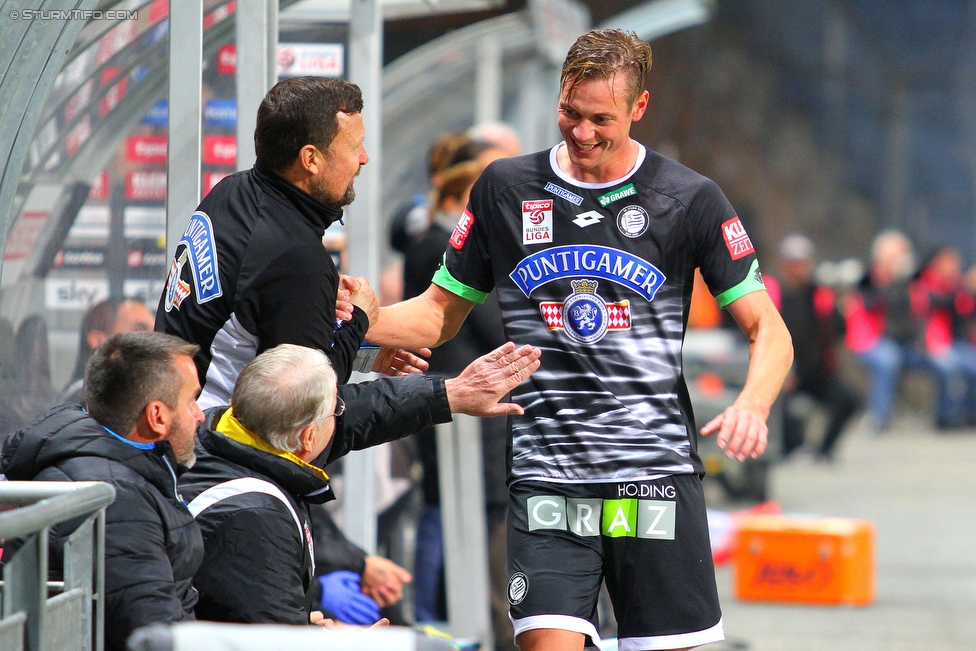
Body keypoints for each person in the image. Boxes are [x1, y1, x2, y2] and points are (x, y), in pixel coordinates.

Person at [367, 28, 793, 651]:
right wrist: (358, 313)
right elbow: (437, 315)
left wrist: (752, 405)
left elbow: (768, 329)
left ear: (638, 109)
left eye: (602, 119)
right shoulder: (505, 188)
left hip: (652, 482)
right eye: (570, 112)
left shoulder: (689, 199)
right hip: (549, 480)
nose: (582, 132)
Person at [179, 341, 540, 626]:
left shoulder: (227, 431)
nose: (343, 415)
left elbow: (364, 408)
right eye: (336, 411)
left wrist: (448, 394)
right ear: (308, 438)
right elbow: (271, 638)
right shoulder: (254, 519)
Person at [157, 76, 414, 409]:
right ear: (311, 159)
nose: (363, 158)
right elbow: (305, 402)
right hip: (212, 445)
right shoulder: (293, 255)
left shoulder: (232, 192)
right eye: (354, 147)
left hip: (175, 416)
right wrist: (360, 318)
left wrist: (352, 345)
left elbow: (258, 323)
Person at [1, 332, 205, 651]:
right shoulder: (118, 498)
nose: (200, 414)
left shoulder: (126, 464)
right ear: (157, 417)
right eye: (192, 400)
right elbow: (154, 632)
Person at [776, 234, 860, 460]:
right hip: (784, 372)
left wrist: (838, 308)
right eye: (793, 263)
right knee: (781, 409)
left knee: (849, 400)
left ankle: (824, 450)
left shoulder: (819, 295)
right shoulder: (775, 296)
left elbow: (838, 332)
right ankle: (787, 450)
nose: (799, 269)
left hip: (816, 372)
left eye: (803, 263)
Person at [60, 298, 155, 405]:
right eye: (140, 332)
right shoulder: (83, 402)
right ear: (98, 340)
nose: (154, 342)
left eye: (155, 333)